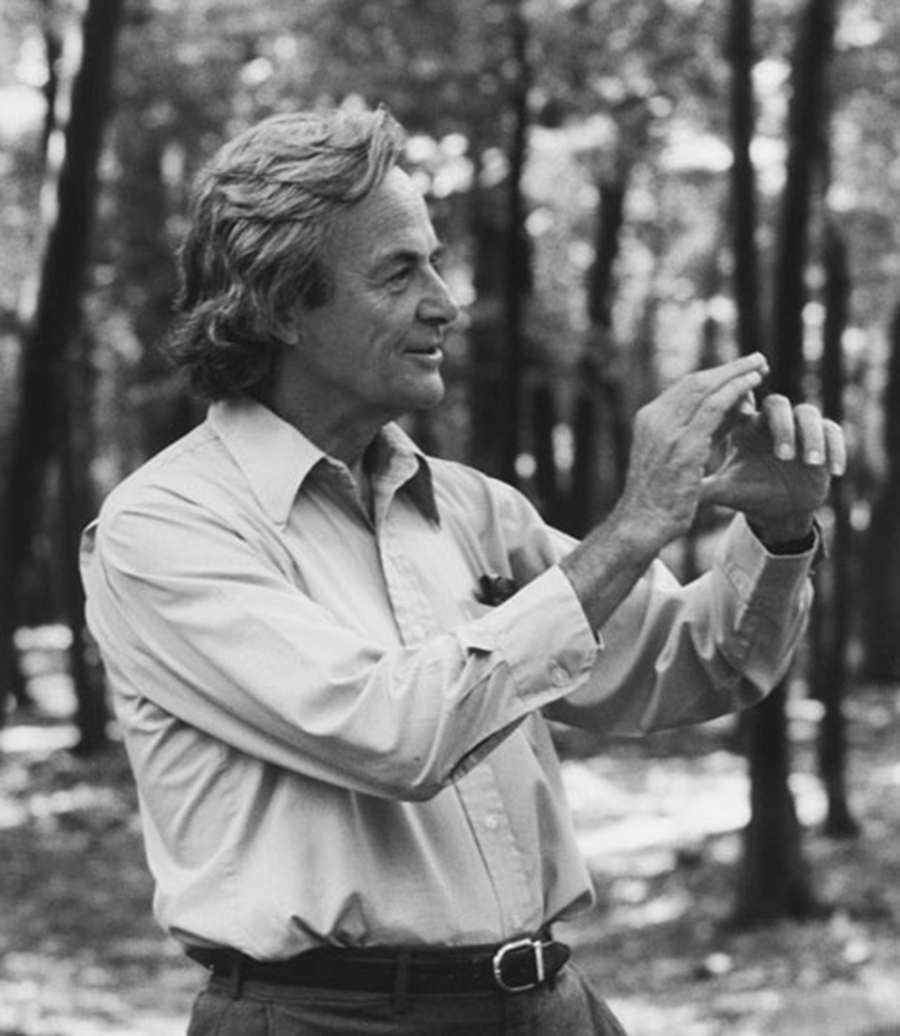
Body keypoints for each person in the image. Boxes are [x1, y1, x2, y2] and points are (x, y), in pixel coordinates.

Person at [80, 105, 845, 1036]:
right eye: (400, 272)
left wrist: (779, 529)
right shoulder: (166, 526)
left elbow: (688, 664)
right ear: (281, 307)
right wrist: (639, 522)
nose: (445, 300)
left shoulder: (476, 510)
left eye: (435, 262)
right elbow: (396, 733)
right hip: (325, 1021)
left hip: (548, 1006)